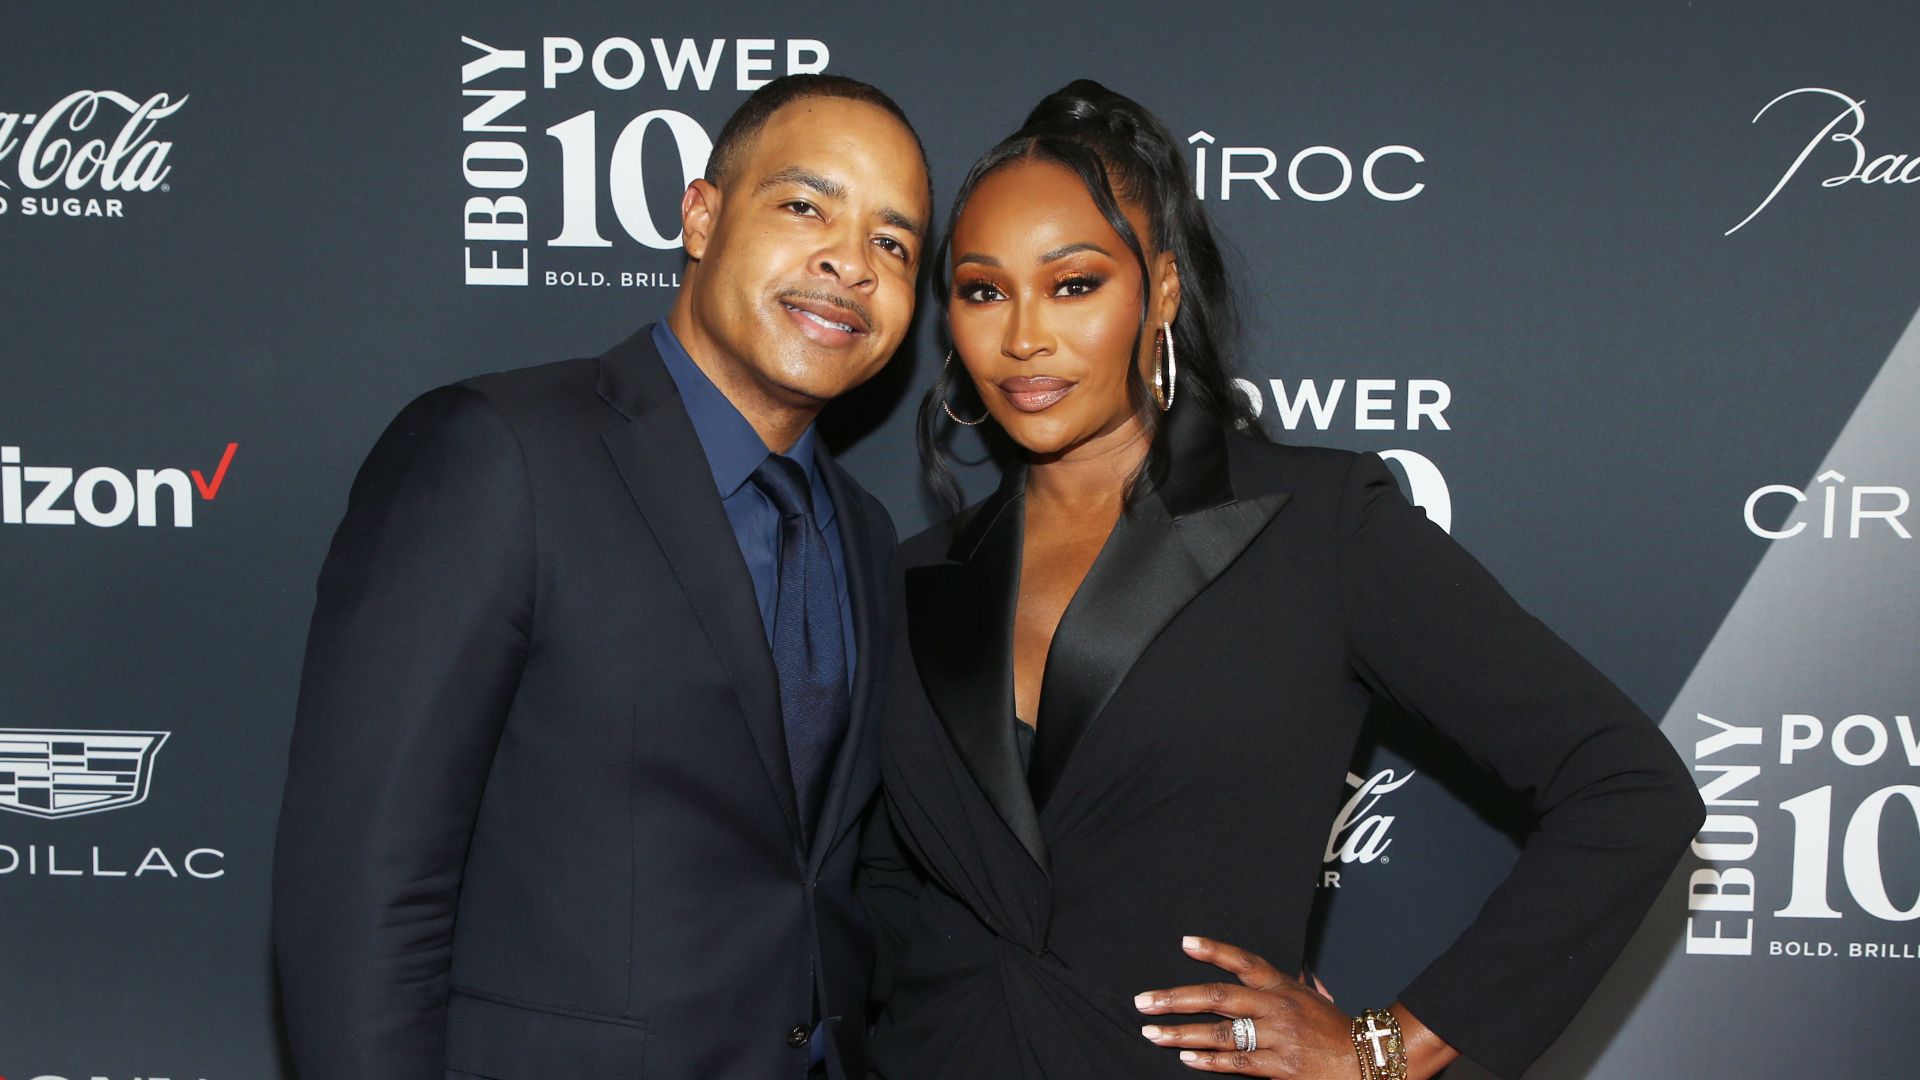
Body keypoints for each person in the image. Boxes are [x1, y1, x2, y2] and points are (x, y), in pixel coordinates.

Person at [859, 80, 1704, 1080]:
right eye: (983, 290)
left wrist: (1387, 1048)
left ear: (1161, 294)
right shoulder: (915, 572)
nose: (1023, 337)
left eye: (1074, 284)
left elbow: (1629, 789)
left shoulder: (1318, 526)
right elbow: (881, 892)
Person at [272, 74, 930, 1080]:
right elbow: (362, 890)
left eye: (894, 243)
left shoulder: (867, 537)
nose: (851, 262)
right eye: (806, 206)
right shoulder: (500, 455)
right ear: (700, 217)